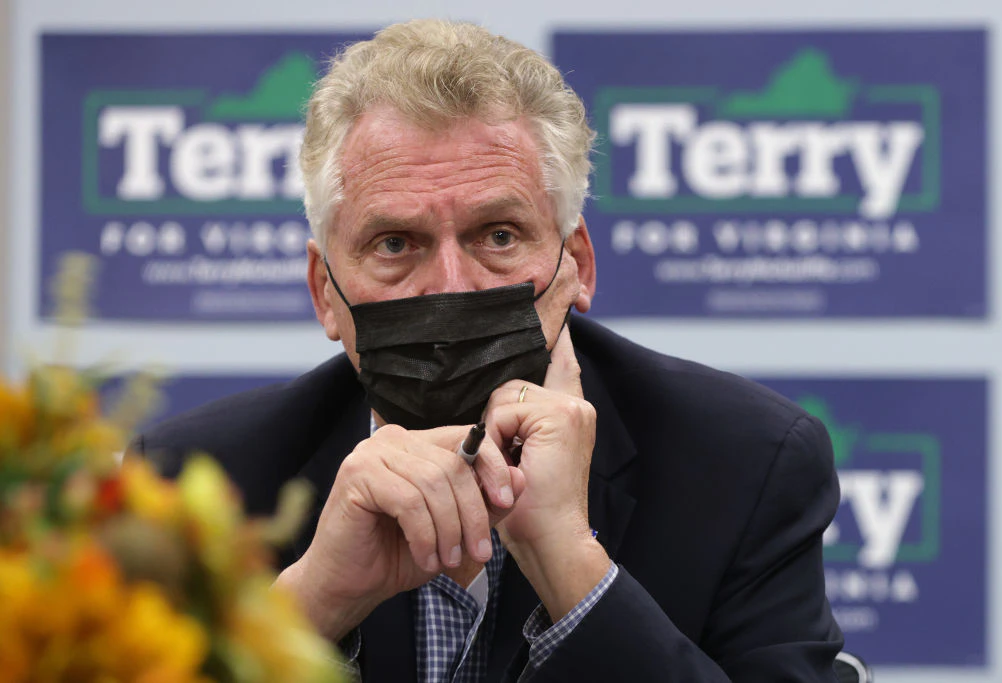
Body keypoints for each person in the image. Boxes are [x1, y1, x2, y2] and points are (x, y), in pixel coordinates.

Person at [133, 19, 843, 682]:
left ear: (578, 265)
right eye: (394, 244)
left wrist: (574, 571)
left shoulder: (745, 463)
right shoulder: (194, 484)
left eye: (498, 235)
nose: (451, 286)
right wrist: (306, 607)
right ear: (325, 292)